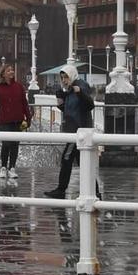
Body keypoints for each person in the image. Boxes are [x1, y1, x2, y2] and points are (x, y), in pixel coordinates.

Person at [44, 69, 97, 200]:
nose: (63, 80)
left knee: (66, 159)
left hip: (79, 131)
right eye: (62, 78)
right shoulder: (71, 90)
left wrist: (80, 93)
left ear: (72, 75)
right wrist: (60, 102)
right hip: (75, 131)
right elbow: (71, 109)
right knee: (84, 163)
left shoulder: (80, 85)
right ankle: (95, 191)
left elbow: (89, 105)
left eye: (66, 77)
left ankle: (61, 190)